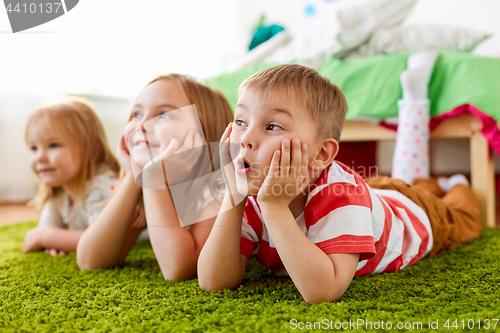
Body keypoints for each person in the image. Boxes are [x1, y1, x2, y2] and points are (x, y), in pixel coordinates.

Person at [198, 59, 482, 303]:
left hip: (415, 215)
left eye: (272, 126)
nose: (245, 139)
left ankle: (456, 184)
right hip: (376, 194)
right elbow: (213, 281)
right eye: (240, 122)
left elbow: (324, 290)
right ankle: (426, 183)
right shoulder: (251, 187)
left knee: (462, 213)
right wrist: (232, 197)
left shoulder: (342, 196)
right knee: (409, 185)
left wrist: (274, 208)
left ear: (321, 153)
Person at [77, 74, 234, 281]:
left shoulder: (220, 186)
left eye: (164, 115)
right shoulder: (147, 185)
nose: (141, 125)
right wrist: (134, 177)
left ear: (204, 135)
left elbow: (179, 268)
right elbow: (90, 260)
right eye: (136, 114)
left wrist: (153, 179)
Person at [22, 98, 120, 256]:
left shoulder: (101, 187)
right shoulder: (60, 187)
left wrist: (45, 237)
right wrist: (52, 238)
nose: (40, 157)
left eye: (53, 145)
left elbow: (103, 241)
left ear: (92, 153)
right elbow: (47, 226)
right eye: (34, 148)